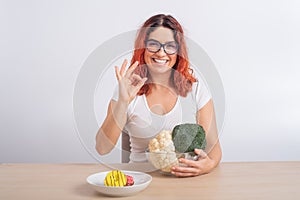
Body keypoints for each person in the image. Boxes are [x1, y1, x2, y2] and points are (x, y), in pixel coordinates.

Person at [96, 14, 222, 177]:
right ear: (143, 47)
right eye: (153, 44)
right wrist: (123, 101)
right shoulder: (127, 88)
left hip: (185, 182)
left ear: (178, 51)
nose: (161, 53)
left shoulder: (195, 89)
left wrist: (208, 165)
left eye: (170, 46)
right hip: (140, 181)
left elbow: (215, 149)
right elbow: (102, 148)